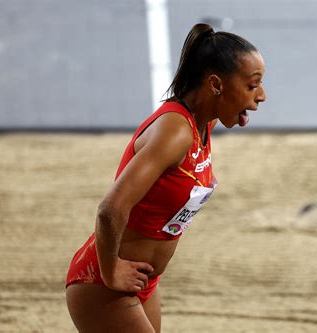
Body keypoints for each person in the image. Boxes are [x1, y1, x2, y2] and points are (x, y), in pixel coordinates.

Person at [65, 23, 266, 332]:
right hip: (104, 284)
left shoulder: (202, 126)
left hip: (143, 282)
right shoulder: (175, 131)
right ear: (216, 85)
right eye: (252, 86)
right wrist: (111, 272)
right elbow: (110, 209)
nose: (261, 96)